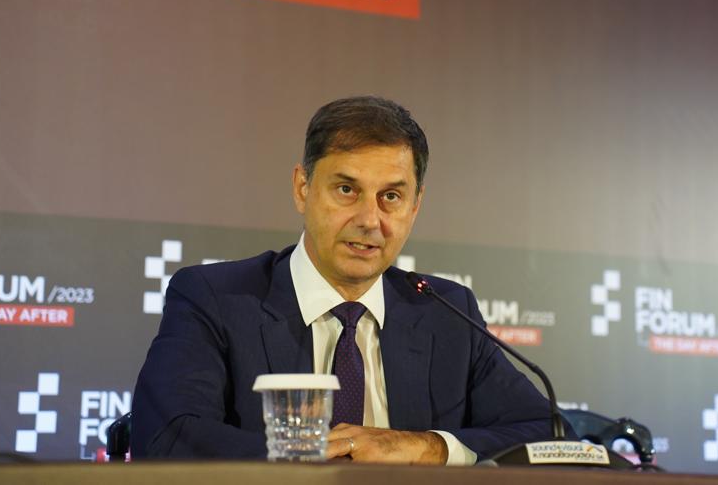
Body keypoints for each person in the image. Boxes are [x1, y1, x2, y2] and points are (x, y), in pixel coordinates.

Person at [131, 96, 556, 463]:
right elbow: (166, 436)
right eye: (347, 190)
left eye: (391, 196)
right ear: (302, 188)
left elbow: (551, 436)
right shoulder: (215, 298)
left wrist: (424, 447)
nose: (370, 220)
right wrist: (316, 457)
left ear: (415, 206)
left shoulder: (446, 313)